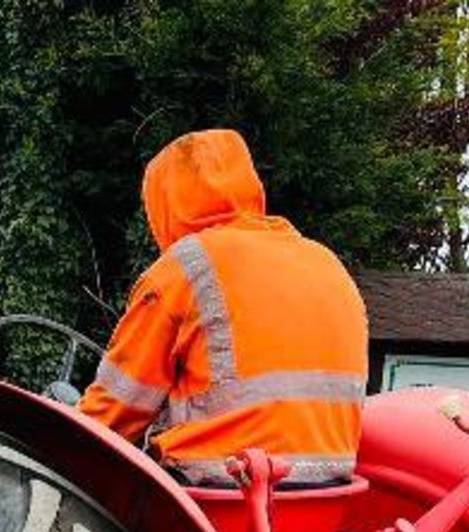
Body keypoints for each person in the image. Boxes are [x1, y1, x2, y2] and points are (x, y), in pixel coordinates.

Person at [79, 128, 369, 486]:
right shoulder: (325, 261)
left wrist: (54, 442)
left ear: (164, 203)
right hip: (328, 490)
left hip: (218, 489)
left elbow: (115, 413)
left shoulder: (185, 267)